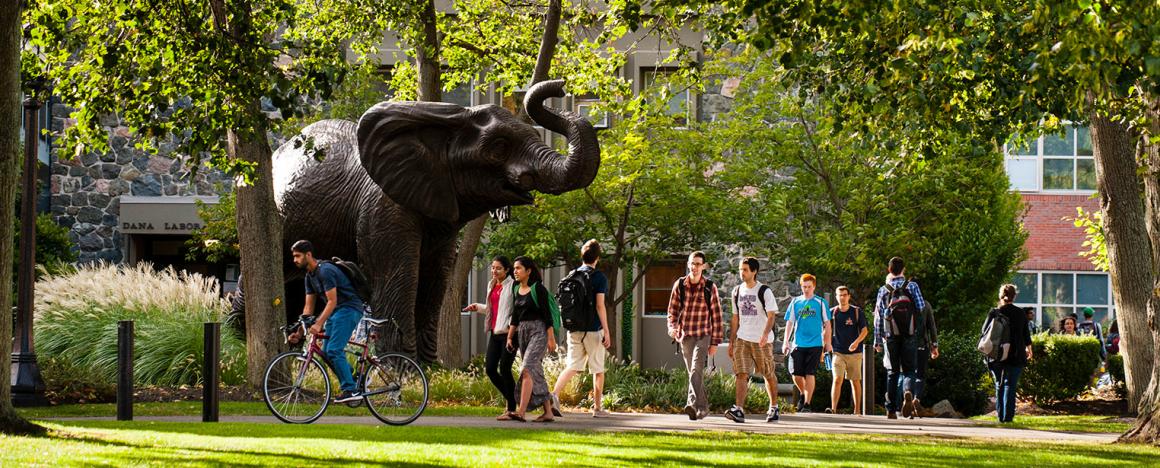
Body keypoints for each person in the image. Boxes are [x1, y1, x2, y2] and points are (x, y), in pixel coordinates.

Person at [292, 240, 365, 403]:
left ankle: (350, 390)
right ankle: (354, 378)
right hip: (337, 312)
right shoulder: (309, 276)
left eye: (298, 256)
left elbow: (332, 300)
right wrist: (299, 333)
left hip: (349, 308)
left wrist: (318, 324)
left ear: (308, 255)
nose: (295, 260)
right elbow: (308, 308)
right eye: (294, 256)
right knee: (326, 352)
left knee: (334, 350)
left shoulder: (325, 271)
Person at [551, 240, 613, 418]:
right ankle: (597, 408)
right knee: (598, 370)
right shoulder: (599, 277)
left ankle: (553, 395)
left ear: (582, 256)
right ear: (597, 258)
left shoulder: (572, 275)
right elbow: (600, 306)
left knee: (573, 366)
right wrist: (606, 331)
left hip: (574, 327)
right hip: (593, 329)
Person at [666, 251, 724, 421]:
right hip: (685, 335)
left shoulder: (709, 287)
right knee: (693, 373)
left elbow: (717, 316)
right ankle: (703, 408)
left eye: (699, 264)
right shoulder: (680, 285)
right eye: (693, 263)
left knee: (696, 368)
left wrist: (715, 342)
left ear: (703, 266)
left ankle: (691, 404)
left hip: (703, 334)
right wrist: (672, 327)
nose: (695, 267)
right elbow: (672, 311)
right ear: (688, 264)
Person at [725, 257, 781, 423]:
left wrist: (765, 334)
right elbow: (735, 318)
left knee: (767, 373)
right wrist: (732, 341)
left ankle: (774, 407)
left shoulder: (764, 291)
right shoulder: (736, 291)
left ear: (754, 271)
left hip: (761, 340)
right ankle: (739, 410)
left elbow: (771, 316)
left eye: (745, 270)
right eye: (741, 270)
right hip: (743, 338)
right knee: (741, 373)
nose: (742, 273)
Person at [463, 256, 518, 420]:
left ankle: (511, 408)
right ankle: (513, 398)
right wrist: (478, 307)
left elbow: (516, 310)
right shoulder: (492, 284)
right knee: (490, 369)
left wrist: (511, 327)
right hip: (495, 332)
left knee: (505, 369)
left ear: (507, 270)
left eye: (498, 268)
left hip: (509, 334)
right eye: (493, 268)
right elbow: (496, 309)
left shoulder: (513, 286)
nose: (494, 271)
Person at [873, 256, 926, 419]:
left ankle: (890, 409)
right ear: (904, 270)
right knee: (910, 370)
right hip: (909, 334)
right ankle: (908, 391)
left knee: (892, 371)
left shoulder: (884, 289)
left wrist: (877, 340)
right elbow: (921, 307)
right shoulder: (912, 286)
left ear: (889, 270)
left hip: (891, 335)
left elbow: (878, 317)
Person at [506, 256, 558, 422]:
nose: (515, 271)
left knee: (527, 367)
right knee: (536, 371)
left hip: (539, 332)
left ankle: (521, 412)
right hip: (522, 332)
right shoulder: (516, 289)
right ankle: (548, 412)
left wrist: (551, 338)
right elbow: (515, 316)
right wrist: (509, 337)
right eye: (514, 268)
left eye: (518, 268)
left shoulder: (538, 289)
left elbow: (547, 316)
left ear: (528, 271)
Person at [782, 273, 832, 413]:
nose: (806, 289)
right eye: (804, 286)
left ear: (814, 286)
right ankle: (803, 394)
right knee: (796, 374)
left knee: (810, 373)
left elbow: (827, 324)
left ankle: (807, 404)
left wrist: (827, 342)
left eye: (809, 287)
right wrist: (786, 341)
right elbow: (790, 323)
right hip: (798, 344)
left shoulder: (821, 302)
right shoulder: (795, 302)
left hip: (815, 344)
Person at [986, 283, 1033, 423]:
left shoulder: (994, 312)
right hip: (1016, 354)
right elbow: (1026, 334)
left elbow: (984, 332)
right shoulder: (1020, 313)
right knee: (1010, 385)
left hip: (996, 354)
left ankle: (1000, 416)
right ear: (1014, 296)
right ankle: (1008, 417)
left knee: (998, 384)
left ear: (1000, 296)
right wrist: (1029, 350)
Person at [828, 286, 867, 415]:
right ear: (836, 297)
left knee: (855, 381)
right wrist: (825, 348)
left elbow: (865, 331)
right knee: (837, 379)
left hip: (855, 353)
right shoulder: (832, 312)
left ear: (849, 296)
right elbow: (826, 331)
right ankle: (833, 409)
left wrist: (856, 342)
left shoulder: (856, 312)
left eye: (845, 295)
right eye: (840, 295)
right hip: (837, 351)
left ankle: (857, 411)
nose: (842, 297)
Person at [912, 300, 939, 417]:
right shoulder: (926, 304)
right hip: (921, 344)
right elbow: (931, 326)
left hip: (903, 345)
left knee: (905, 374)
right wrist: (935, 345)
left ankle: (902, 403)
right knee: (920, 375)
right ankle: (916, 398)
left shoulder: (901, 301)